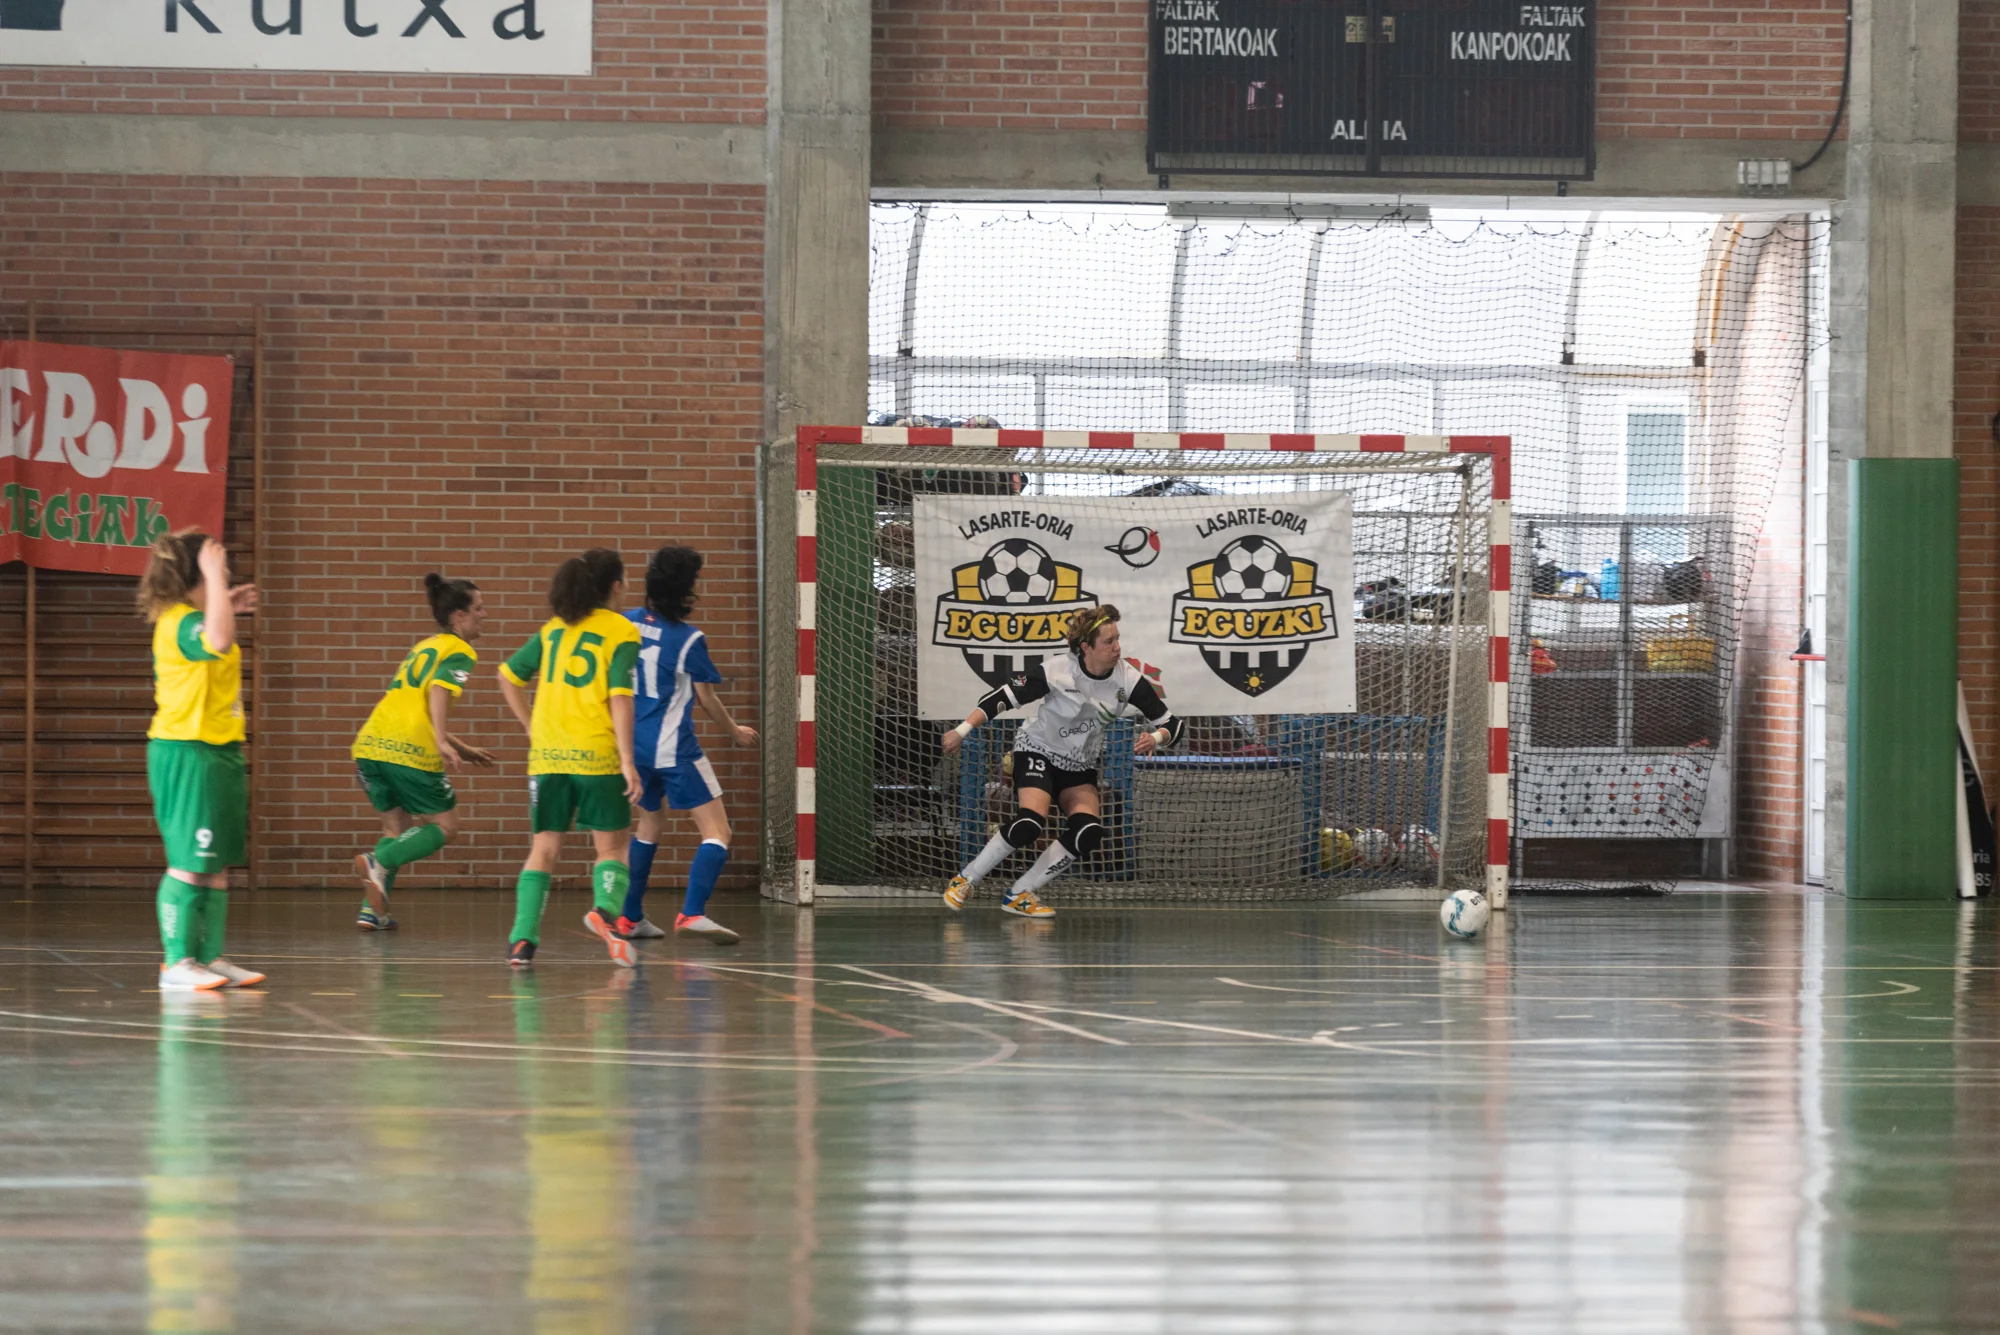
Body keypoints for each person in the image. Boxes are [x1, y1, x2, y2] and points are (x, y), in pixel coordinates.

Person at [939, 604, 1182, 919]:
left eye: (1118, 639)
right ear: (1086, 647)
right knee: (1030, 822)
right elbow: (1001, 698)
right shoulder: (1057, 671)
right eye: (1109, 641)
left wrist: (1157, 737)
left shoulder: (1129, 680)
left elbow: (1173, 725)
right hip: (1037, 750)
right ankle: (966, 879)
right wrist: (961, 731)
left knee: (1088, 831)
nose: (1117, 647)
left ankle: (1020, 893)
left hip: (1079, 764)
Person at [496, 548, 644, 967]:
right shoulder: (621, 630)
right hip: (596, 752)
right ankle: (605, 912)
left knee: (543, 848)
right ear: (615, 586)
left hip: (547, 756)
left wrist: (531, 727)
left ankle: (522, 941)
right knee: (612, 848)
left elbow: (507, 676)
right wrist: (628, 761)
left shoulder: (553, 629)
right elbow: (620, 698)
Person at [137, 531, 266, 990]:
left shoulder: (194, 618)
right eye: (217, 568)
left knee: (215, 863)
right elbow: (218, 639)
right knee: (190, 861)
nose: (225, 573)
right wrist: (217, 586)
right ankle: (177, 962)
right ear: (198, 574)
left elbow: (215, 633)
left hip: (219, 750)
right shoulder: (180, 622)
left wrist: (222, 601)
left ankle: (209, 958)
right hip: (187, 751)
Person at [617, 545, 759, 945]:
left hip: (634, 747)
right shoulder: (689, 638)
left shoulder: (625, 622)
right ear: (686, 589)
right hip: (674, 749)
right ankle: (692, 912)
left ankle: (629, 917)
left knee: (649, 825)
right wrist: (735, 732)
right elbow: (706, 697)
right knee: (718, 831)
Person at [350, 573, 497, 929]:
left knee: (396, 829)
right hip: (409, 752)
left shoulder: (425, 646)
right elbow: (438, 690)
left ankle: (373, 912)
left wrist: (460, 744)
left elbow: (416, 708)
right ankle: (379, 861)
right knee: (445, 826)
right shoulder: (460, 650)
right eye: (479, 608)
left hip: (370, 746)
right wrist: (442, 741)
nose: (485, 615)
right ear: (459, 615)